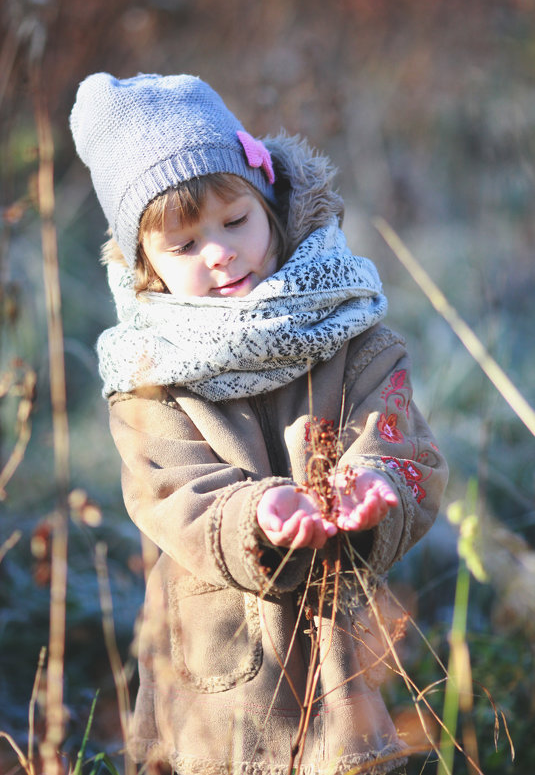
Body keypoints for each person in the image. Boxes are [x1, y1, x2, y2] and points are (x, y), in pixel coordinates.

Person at [70, 72, 448, 775]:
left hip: (352, 650)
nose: (218, 252)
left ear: (269, 203)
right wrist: (255, 513)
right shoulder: (149, 376)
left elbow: (403, 444)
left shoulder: (353, 333)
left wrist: (371, 483)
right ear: (144, 266)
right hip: (222, 676)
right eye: (182, 246)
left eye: (234, 221)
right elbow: (171, 491)